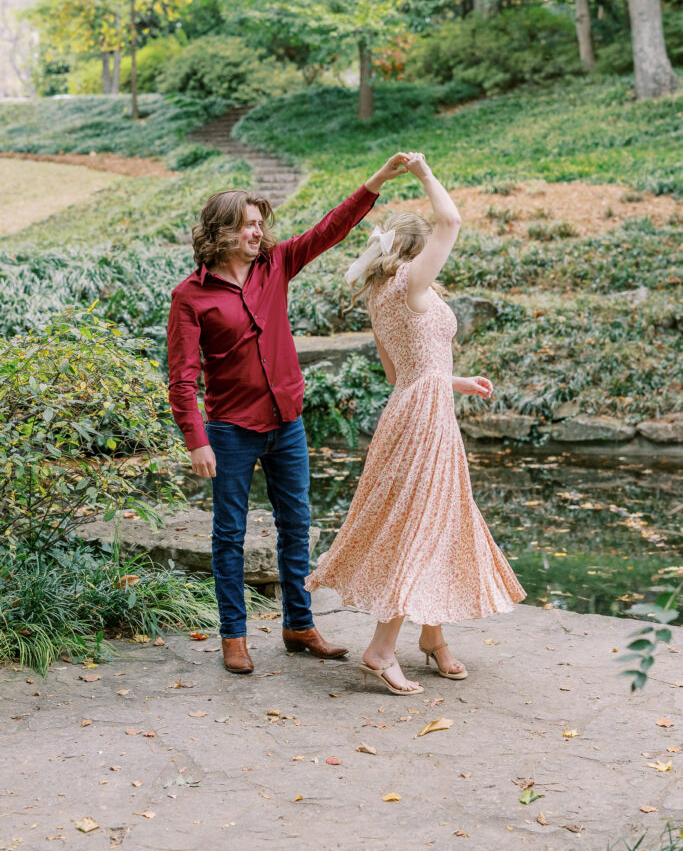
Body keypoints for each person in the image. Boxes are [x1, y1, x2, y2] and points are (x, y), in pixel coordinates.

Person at [166, 154, 411, 674]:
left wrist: (377, 182)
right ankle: (234, 636)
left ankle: (298, 624)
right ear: (223, 231)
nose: (259, 232)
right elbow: (182, 378)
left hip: (287, 421)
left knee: (296, 524)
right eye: (250, 225)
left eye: (261, 224)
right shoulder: (190, 297)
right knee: (229, 535)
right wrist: (196, 439)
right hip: (231, 430)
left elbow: (329, 230)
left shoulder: (275, 265)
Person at [305, 152, 526, 695]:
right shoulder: (410, 282)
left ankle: (432, 638)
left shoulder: (380, 297)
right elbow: (451, 221)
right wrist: (424, 172)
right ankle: (381, 650)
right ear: (412, 250)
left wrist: (457, 381)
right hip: (423, 417)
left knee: (441, 515)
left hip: (413, 405)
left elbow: (401, 370)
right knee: (419, 521)